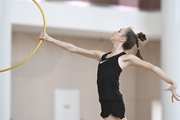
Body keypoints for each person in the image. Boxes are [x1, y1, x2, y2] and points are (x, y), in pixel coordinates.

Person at [37, 27, 180, 120]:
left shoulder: (126, 58)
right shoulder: (102, 56)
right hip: (105, 101)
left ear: (122, 39)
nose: (115, 31)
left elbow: (153, 67)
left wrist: (173, 83)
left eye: (118, 31)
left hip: (113, 101)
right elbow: (73, 48)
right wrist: (49, 39)